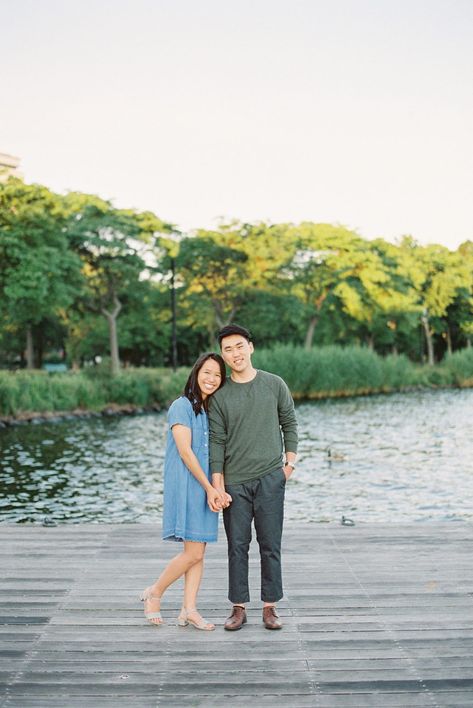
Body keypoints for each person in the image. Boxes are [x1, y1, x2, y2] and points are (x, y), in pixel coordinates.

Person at [209, 324, 298, 630]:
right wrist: (218, 486)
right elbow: (217, 442)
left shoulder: (274, 384)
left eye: (239, 346)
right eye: (227, 349)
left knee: (270, 543)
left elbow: (290, 423)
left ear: (251, 347)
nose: (235, 353)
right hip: (235, 483)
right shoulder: (220, 396)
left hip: (271, 478)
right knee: (237, 544)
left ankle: (270, 607)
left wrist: (289, 465)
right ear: (223, 355)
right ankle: (238, 607)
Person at [141, 352, 230, 631]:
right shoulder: (181, 406)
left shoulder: (211, 409)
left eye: (217, 375)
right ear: (196, 373)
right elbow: (185, 452)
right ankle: (154, 593)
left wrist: (219, 489)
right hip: (187, 483)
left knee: (198, 551)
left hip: (206, 487)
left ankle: (188, 609)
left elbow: (217, 453)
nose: (212, 379)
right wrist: (208, 488)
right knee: (192, 552)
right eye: (207, 372)